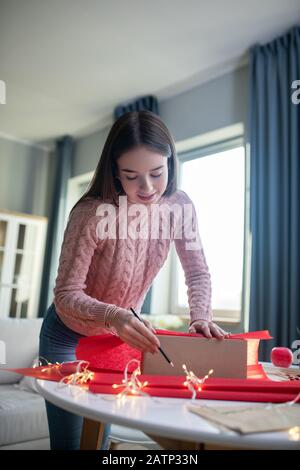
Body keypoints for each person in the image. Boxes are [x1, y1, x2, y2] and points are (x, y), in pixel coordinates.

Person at [39, 110, 229, 450]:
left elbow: (197, 271)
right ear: (115, 171)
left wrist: (201, 316)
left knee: (100, 440)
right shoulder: (91, 213)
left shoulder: (179, 207)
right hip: (66, 334)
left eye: (157, 173)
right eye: (132, 175)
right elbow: (67, 294)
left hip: (116, 336)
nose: (147, 188)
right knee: (70, 443)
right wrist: (115, 314)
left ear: (171, 162)